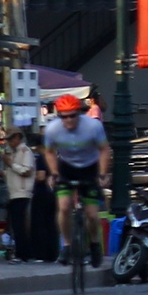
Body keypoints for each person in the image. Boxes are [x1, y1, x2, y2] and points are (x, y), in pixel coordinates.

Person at [42, 94, 109, 266]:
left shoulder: (93, 126)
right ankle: (67, 245)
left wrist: (102, 173)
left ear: (79, 113)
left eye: (73, 115)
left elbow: (103, 149)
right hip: (67, 168)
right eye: (64, 116)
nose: (69, 120)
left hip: (89, 168)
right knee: (64, 207)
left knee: (92, 215)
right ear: (59, 116)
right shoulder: (52, 129)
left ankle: (94, 243)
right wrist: (54, 172)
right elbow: (49, 152)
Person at [1, 127, 34, 262]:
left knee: (20, 225)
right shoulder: (14, 153)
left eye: (11, 139)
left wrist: (10, 164)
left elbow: (26, 171)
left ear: (18, 138)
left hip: (22, 193)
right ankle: (21, 252)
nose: (9, 142)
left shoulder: (25, 151)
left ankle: (23, 254)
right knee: (16, 225)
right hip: (15, 194)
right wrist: (2, 172)